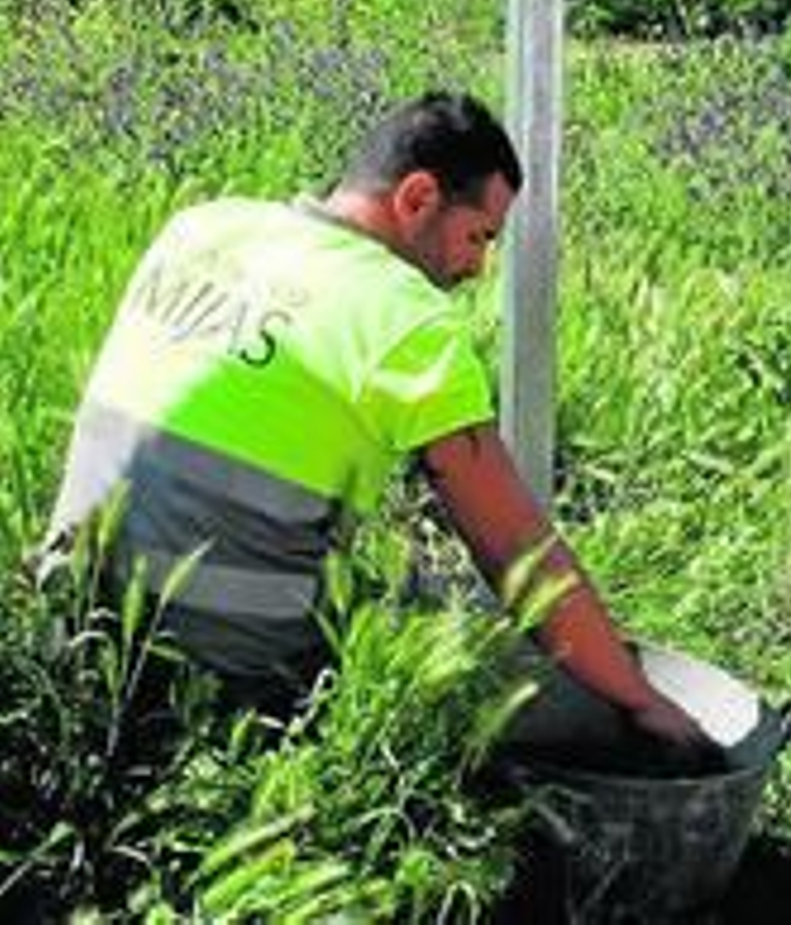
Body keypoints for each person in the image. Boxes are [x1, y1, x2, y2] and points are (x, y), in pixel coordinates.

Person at [45, 90, 708, 758]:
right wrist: (639, 699)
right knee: (516, 681)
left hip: (69, 631)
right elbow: (517, 549)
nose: (478, 267)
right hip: (229, 681)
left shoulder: (201, 227)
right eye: (478, 235)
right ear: (417, 198)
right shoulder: (405, 316)